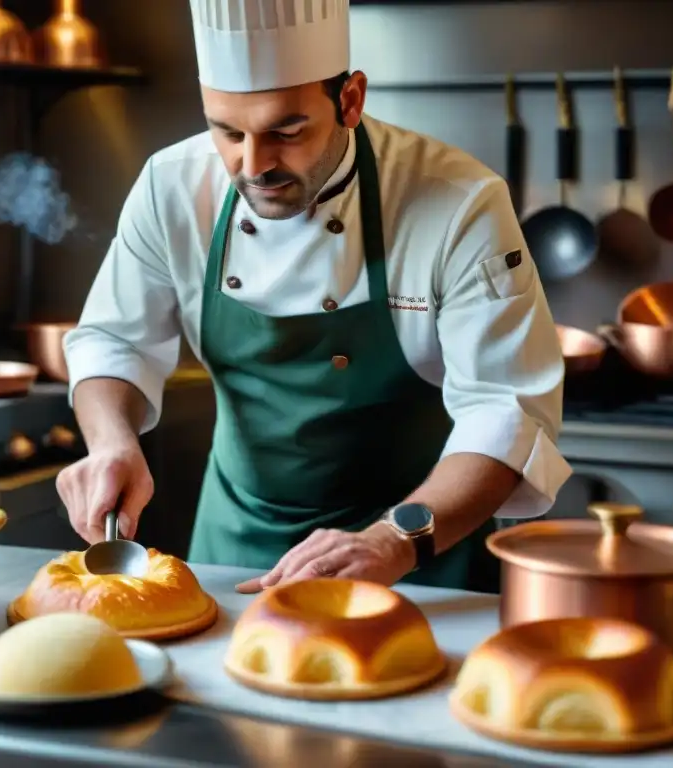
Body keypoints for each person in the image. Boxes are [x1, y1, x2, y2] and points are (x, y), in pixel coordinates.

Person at [56, 0, 571, 595]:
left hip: (416, 552)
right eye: (226, 132)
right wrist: (112, 441)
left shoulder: (458, 201)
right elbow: (114, 340)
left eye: (286, 131)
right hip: (235, 546)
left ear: (350, 100)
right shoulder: (171, 184)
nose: (253, 166)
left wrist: (392, 541)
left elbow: (505, 410)